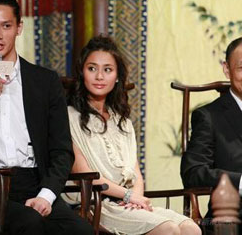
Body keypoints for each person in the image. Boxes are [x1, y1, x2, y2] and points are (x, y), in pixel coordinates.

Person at [0, 0, 93, 235]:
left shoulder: (44, 81)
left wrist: (46, 196)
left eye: (6, 26)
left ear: (19, 27)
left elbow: (61, 150)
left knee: (81, 231)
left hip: (35, 182)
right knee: (29, 223)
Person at [67, 35, 201, 235]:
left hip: (126, 202)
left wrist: (135, 199)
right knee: (169, 229)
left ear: (117, 76)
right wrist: (129, 196)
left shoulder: (123, 122)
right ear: (82, 72)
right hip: (94, 203)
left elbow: (135, 172)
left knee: (191, 228)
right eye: (92, 68)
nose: (100, 76)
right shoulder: (69, 116)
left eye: (108, 70)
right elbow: (84, 175)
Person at [181, 37, 242, 225]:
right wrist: (240, 182)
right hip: (232, 215)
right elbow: (193, 171)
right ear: (226, 69)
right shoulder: (209, 116)